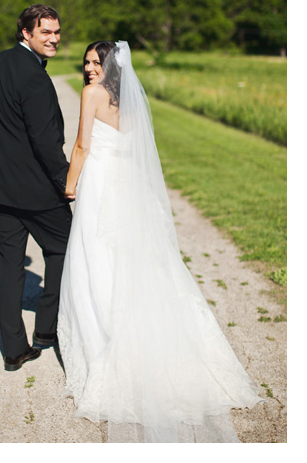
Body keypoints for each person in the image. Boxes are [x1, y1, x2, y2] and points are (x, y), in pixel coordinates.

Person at [57, 40, 263, 442]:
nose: (87, 69)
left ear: (109, 66)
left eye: (95, 62)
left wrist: (69, 187)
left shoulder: (92, 94)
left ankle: (108, 349)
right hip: (127, 188)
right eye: (85, 63)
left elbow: (82, 145)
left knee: (95, 263)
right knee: (130, 266)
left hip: (99, 187)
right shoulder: (128, 99)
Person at [0, 4, 72, 371]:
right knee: (66, 248)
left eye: (57, 32)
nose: (54, 39)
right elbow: (46, 141)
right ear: (26, 33)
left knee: (7, 264)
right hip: (35, 190)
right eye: (46, 32)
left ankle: (14, 350)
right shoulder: (34, 76)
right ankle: (46, 329)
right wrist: (66, 181)